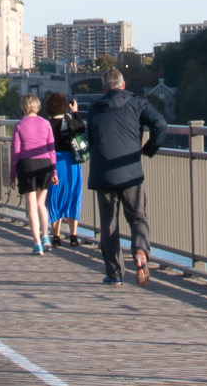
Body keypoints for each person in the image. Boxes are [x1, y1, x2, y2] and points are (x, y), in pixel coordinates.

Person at [87, 69, 166, 286]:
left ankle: (114, 274)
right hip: (130, 171)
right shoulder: (137, 103)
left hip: (103, 174)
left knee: (109, 224)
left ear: (104, 88)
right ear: (123, 85)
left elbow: (90, 139)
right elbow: (161, 125)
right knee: (138, 217)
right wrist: (148, 149)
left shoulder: (94, 107)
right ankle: (140, 251)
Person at [11, 95, 59, 254]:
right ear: (37, 106)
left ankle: (37, 243)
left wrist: (12, 174)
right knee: (41, 203)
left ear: (23, 107)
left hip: (27, 164)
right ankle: (46, 236)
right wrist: (54, 170)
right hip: (45, 164)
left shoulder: (19, 125)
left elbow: (15, 153)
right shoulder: (46, 123)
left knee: (31, 204)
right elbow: (51, 149)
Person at [45, 92, 87, 247]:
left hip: (54, 162)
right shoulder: (68, 120)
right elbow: (82, 128)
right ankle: (73, 235)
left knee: (54, 197)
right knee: (73, 196)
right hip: (71, 162)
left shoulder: (46, 124)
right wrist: (75, 112)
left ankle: (56, 235)